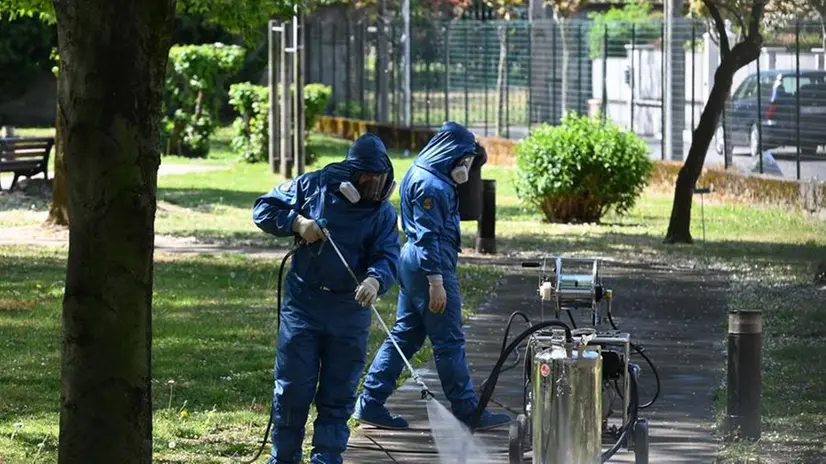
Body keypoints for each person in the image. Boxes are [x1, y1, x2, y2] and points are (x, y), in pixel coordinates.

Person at [252, 133, 401, 464]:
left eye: (380, 180)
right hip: (304, 304)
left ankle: (327, 458)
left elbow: (388, 254)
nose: (373, 187)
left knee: (338, 393)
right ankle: (284, 458)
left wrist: (376, 280)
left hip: (350, 311)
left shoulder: (382, 214)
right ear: (351, 174)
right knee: (293, 388)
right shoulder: (313, 186)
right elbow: (263, 208)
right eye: (367, 179)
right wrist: (296, 221)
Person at [353, 121, 511, 431]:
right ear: (451, 153)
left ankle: (370, 401)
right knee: (449, 339)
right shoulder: (431, 185)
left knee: (406, 334)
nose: (465, 166)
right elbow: (428, 237)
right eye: (464, 159)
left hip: (414, 263)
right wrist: (436, 282)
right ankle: (467, 409)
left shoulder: (426, 172)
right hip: (428, 265)